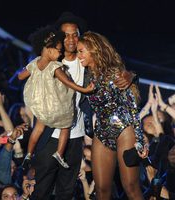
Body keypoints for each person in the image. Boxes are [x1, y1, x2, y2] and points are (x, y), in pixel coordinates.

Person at [30, 12, 134, 200]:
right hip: (50, 135)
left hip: (76, 136)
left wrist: (131, 75)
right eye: (66, 35)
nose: (70, 39)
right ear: (59, 38)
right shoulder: (49, 62)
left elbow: (111, 68)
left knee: (67, 191)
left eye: (75, 34)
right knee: (42, 190)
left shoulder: (86, 62)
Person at [76, 31, 148, 199]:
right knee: (101, 190)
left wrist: (139, 141)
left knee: (130, 187)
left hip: (124, 130)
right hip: (101, 132)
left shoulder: (114, 73)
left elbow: (132, 109)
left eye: (81, 51)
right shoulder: (84, 76)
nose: (78, 55)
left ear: (93, 50)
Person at [18, 25, 94, 169]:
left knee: (38, 129)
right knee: (66, 125)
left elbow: (20, 76)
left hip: (41, 104)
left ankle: (28, 153)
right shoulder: (55, 66)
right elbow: (68, 82)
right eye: (58, 51)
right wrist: (84, 89)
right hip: (56, 105)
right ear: (48, 49)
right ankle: (59, 153)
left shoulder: (34, 63)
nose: (60, 54)